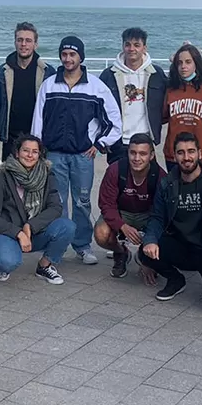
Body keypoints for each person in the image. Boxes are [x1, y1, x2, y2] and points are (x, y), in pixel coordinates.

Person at [32, 36, 122, 264]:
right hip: (54, 155)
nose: (68, 59)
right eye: (64, 54)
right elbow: (38, 120)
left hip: (83, 156)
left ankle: (82, 245)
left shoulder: (96, 87)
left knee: (82, 202)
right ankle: (59, 245)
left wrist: (100, 144)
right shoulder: (49, 85)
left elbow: (114, 121)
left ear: (81, 57)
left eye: (72, 54)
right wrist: (37, 150)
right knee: (57, 203)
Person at [140, 132, 202, 304]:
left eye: (191, 151)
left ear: (200, 153)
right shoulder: (167, 183)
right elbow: (157, 217)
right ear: (174, 156)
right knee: (144, 251)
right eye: (181, 152)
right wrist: (151, 240)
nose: (186, 157)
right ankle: (176, 280)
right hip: (180, 246)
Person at [0, 134, 75, 284]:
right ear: (17, 152)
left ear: (40, 154)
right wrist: (19, 233)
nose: (30, 155)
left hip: (34, 231)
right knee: (7, 262)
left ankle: (44, 266)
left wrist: (30, 226)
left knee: (67, 227)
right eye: (26, 150)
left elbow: (55, 207)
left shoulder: (47, 174)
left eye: (35, 151)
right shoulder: (1, 178)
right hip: (7, 233)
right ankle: (2, 265)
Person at [95, 133, 163, 279]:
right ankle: (121, 252)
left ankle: (145, 256)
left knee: (168, 232)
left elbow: (161, 213)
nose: (137, 158)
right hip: (122, 213)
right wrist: (122, 226)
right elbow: (106, 204)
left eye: (143, 154)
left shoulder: (159, 175)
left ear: (151, 156)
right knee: (101, 233)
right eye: (133, 153)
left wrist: (149, 246)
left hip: (147, 214)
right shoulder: (115, 170)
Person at [99, 27, 167, 164]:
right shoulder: (108, 75)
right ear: (123, 46)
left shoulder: (157, 74)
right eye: (127, 44)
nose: (132, 49)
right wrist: (102, 138)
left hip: (145, 139)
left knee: (147, 183)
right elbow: (98, 108)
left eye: (137, 45)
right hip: (118, 141)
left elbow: (169, 99)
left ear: (144, 48)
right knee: (119, 182)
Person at [0, 22, 54, 161]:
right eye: (20, 40)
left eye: (28, 40)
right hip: (11, 138)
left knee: (36, 181)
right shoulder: (3, 71)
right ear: (15, 42)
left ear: (35, 44)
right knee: (10, 181)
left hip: (37, 138)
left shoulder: (47, 71)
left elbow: (54, 109)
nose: (24, 44)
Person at [162, 44, 202, 171]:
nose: (183, 66)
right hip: (173, 155)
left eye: (188, 62)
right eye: (179, 63)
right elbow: (162, 117)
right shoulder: (170, 89)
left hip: (199, 155)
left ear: (196, 63)